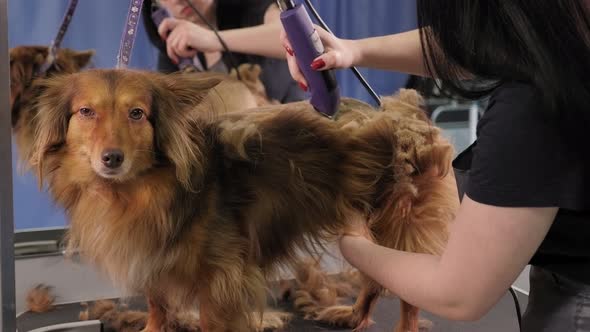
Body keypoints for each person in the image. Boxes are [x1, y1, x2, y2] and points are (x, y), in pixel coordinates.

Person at [282, 1, 590, 330]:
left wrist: (351, 241)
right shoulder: (568, 43)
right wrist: (352, 51)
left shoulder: (534, 108)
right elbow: (493, 43)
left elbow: (458, 294)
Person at [141, 0, 305, 103]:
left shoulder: (250, 5)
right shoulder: (172, 51)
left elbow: (297, 39)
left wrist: (213, 39)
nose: (178, 1)